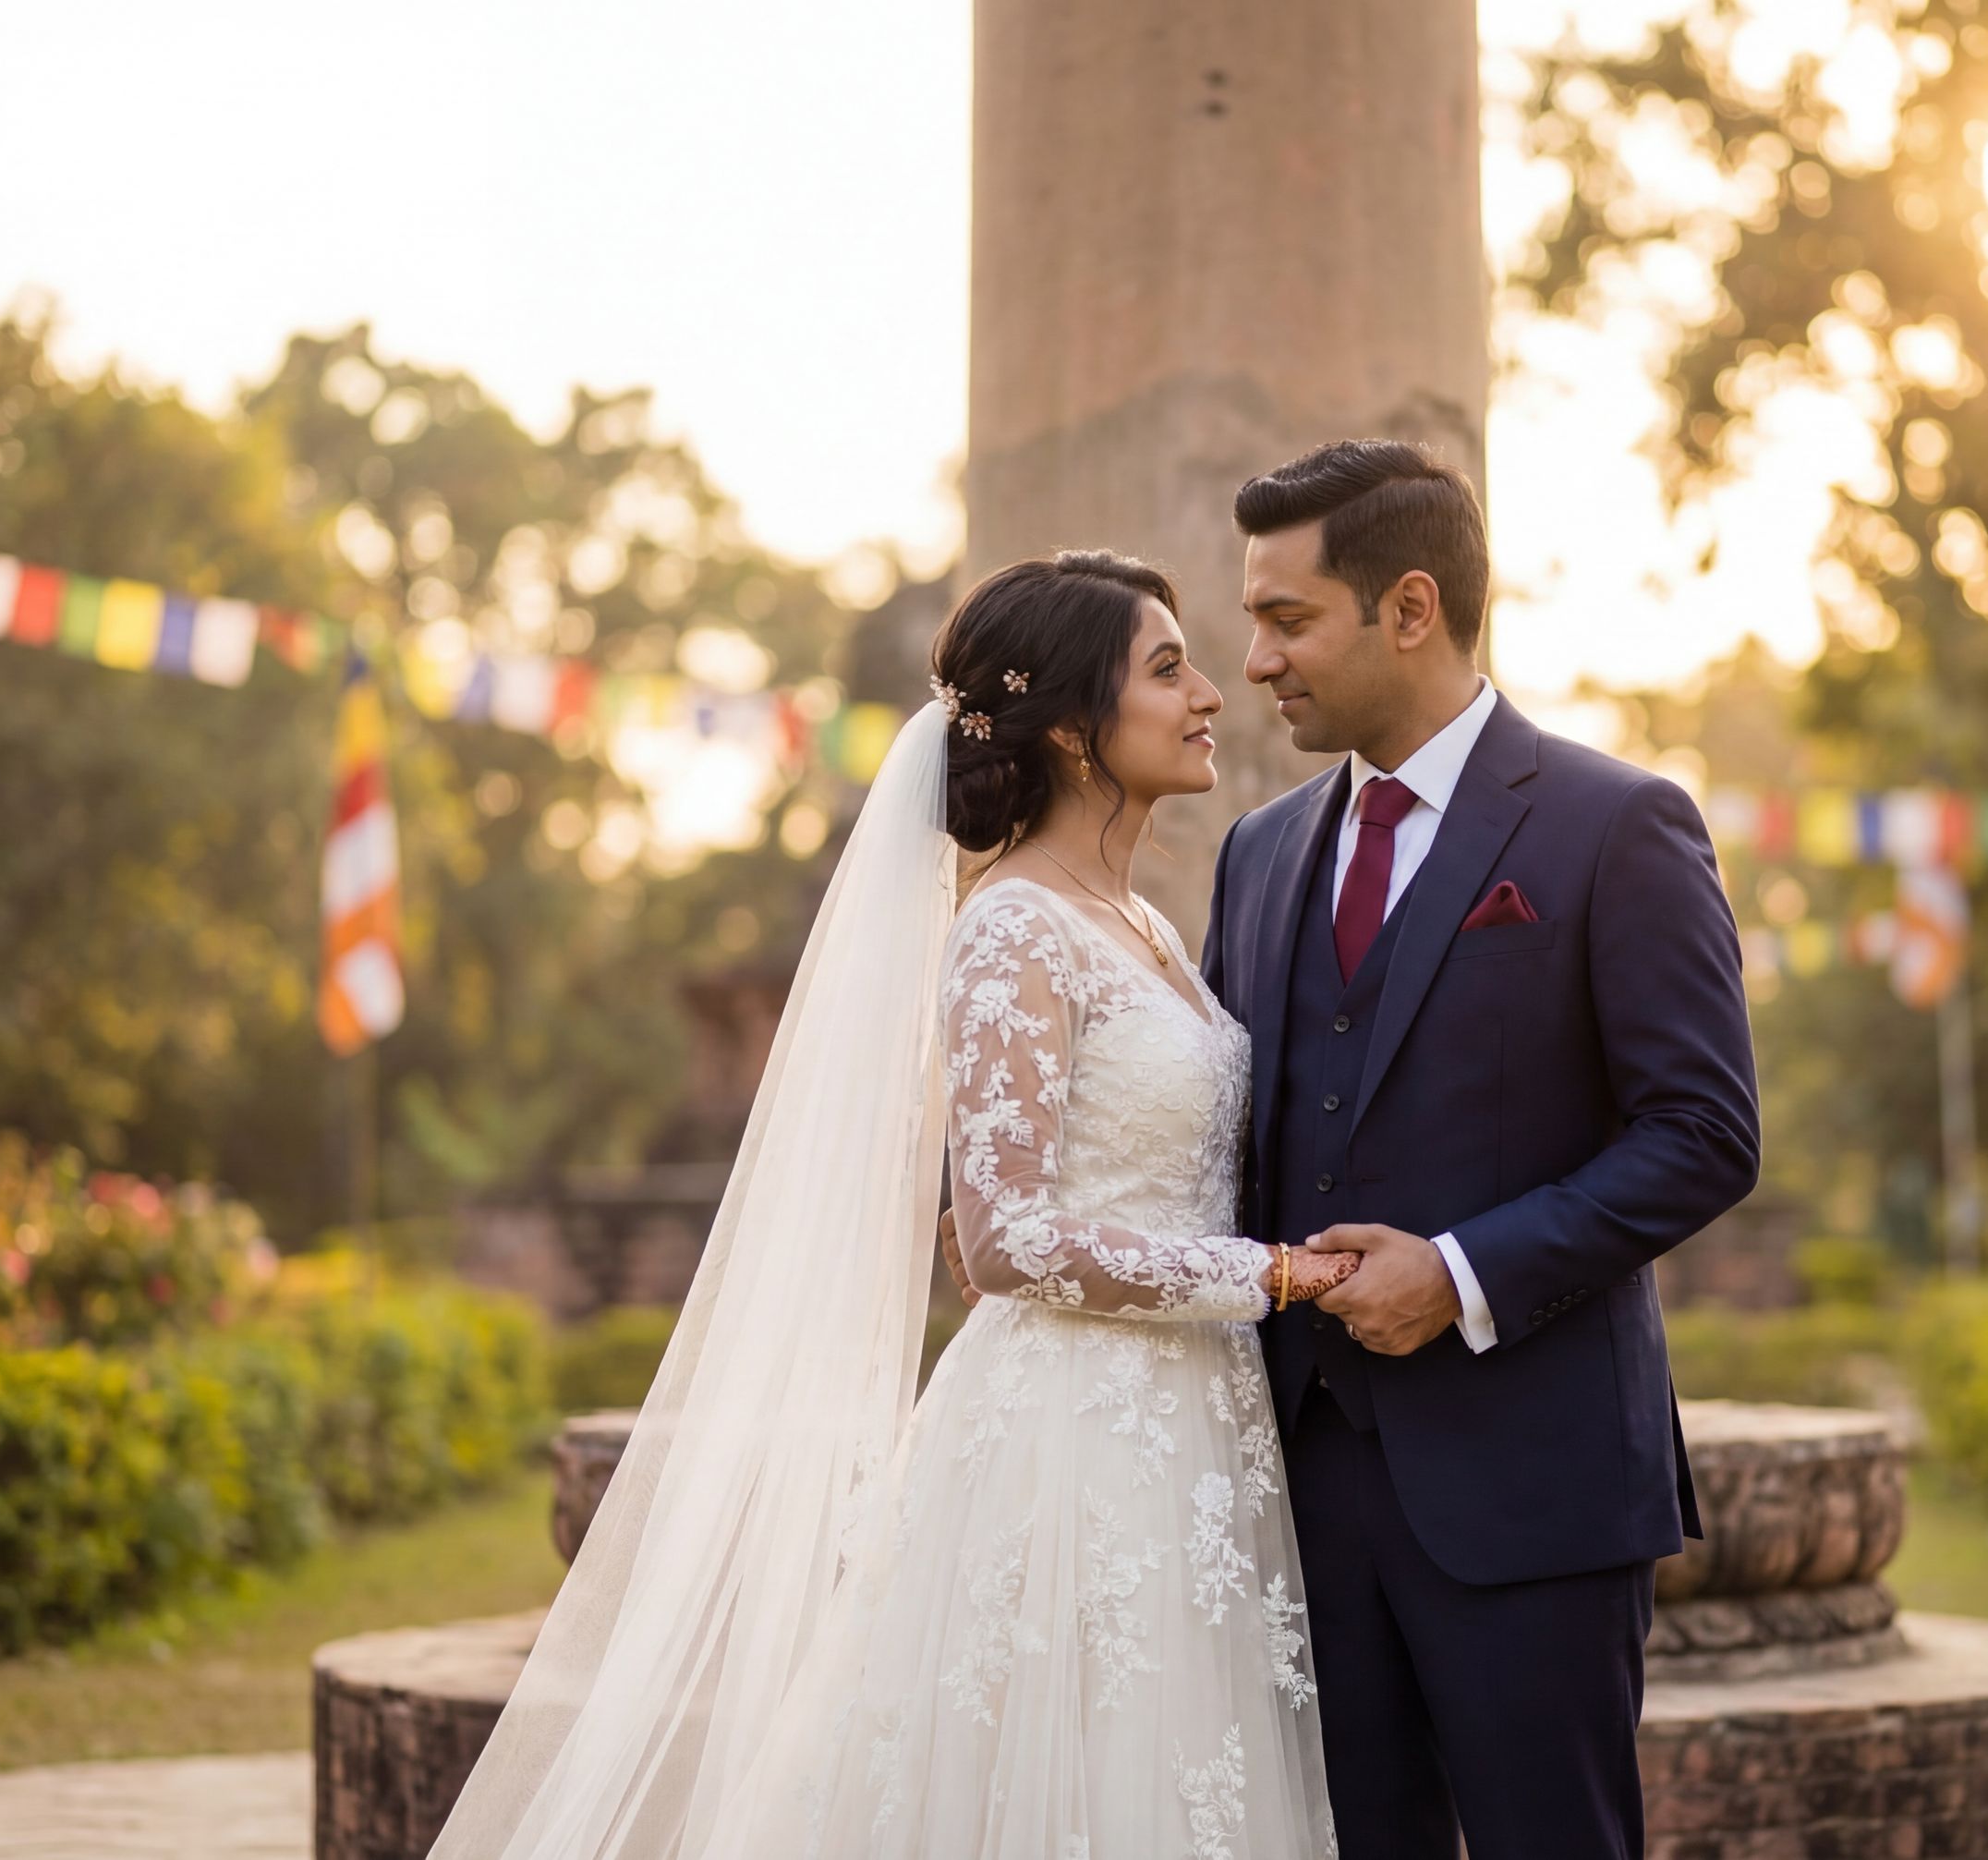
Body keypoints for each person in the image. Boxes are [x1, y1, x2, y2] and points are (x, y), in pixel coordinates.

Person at [427, 550, 1354, 1859]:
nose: (1211, 692)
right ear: (1078, 732)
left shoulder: (1139, 921)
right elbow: (1006, 1234)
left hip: (1192, 1431)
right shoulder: (1015, 925)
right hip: (1070, 1443)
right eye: (1168, 668)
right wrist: (1269, 1275)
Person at [1203, 440, 1759, 1860]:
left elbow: (1703, 1134)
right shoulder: (1259, 853)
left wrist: (1458, 1272)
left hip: (1534, 1484)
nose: (1255, 660)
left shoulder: (1615, 824)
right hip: (1300, 1486)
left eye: (1285, 617)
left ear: (1408, 608)